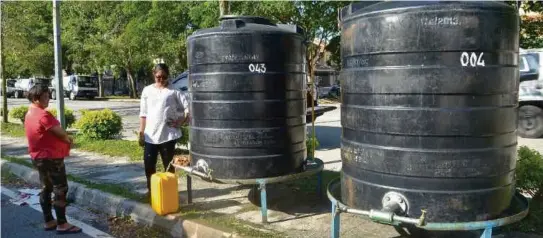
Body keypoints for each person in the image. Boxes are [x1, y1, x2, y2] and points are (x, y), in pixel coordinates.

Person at [24, 84, 82, 234]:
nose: (48, 99)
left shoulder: (30, 112)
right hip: (51, 158)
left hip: (38, 157)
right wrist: (69, 139)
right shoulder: (43, 115)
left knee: (46, 187)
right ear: (36, 99)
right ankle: (62, 224)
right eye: (45, 96)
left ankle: (49, 220)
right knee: (60, 188)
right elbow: (60, 133)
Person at [139, 63, 190, 197]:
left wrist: (180, 121)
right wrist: (141, 132)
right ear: (153, 75)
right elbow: (143, 113)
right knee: (149, 164)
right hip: (150, 135)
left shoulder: (174, 91)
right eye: (158, 77)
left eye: (164, 77)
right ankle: (152, 191)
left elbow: (188, 109)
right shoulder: (147, 90)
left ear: (168, 76)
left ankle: (170, 193)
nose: (161, 80)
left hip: (168, 135)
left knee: (169, 166)